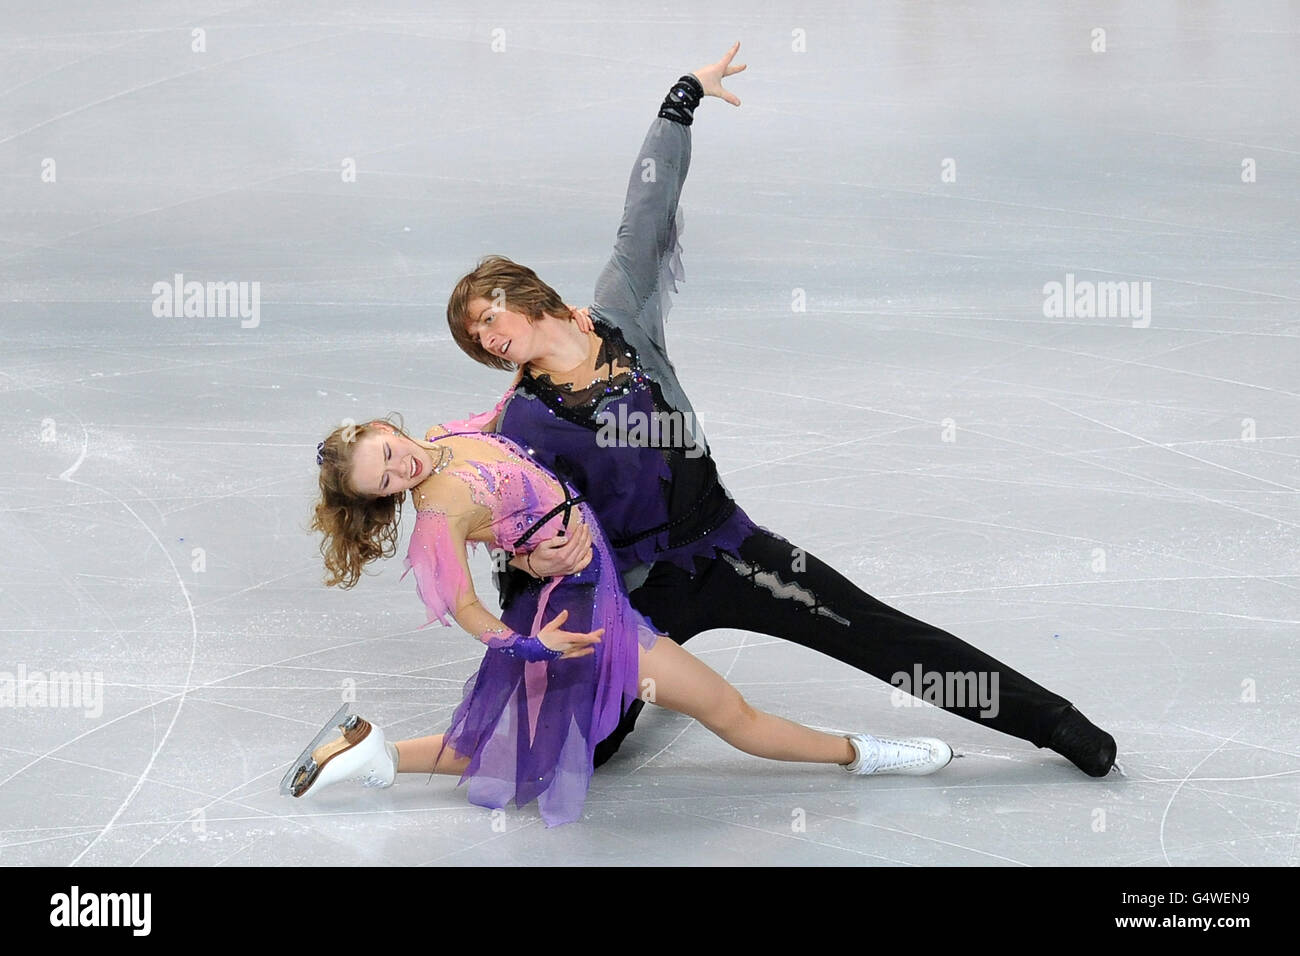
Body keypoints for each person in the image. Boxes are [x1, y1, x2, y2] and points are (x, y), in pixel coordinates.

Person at [444, 42, 1118, 777]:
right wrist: (528, 564)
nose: (489, 335)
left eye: (488, 315)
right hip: (634, 596)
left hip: (728, 549)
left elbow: (647, 209)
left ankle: (1055, 722)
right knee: (580, 755)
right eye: (476, 335)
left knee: (872, 631)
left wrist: (682, 100)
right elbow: (513, 516)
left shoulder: (619, 316)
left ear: (522, 291)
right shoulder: (522, 423)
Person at [290, 415, 953, 828]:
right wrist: (530, 645)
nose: (395, 468)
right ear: (383, 497)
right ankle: (866, 755)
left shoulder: (447, 438)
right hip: (582, 619)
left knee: (517, 745)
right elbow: (463, 607)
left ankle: (371, 755)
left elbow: (519, 425)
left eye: (385, 452)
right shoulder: (437, 513)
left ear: (386, 428)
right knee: (729, 712)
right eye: (382, 481)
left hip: (592, 587)